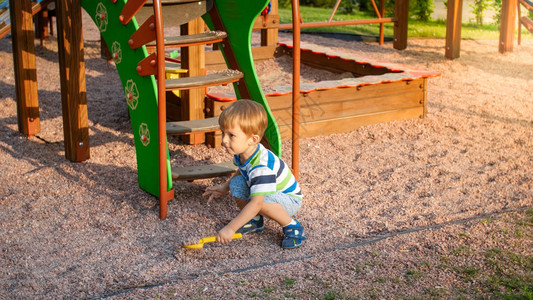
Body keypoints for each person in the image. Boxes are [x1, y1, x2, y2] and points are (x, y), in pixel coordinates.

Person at [203, 100, 305, 249]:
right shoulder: (243, 152)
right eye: (222, 133)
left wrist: (230, 228)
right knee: (236, 183)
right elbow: (242, 170)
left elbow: (257, 202)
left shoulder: (262, 167)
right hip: (270, 193)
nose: (224, 140)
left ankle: (292, 226)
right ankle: (256, 220)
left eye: (231, 135)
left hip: (289, 200)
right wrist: (225, 187)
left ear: (253, 139)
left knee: (258, 202)